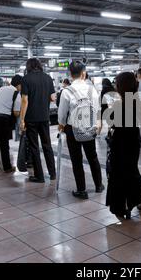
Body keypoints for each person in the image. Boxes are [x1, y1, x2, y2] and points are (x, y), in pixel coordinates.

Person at [58, 61, 103, 199]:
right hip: (89, 126)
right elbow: (97, 109)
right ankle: (98, 185)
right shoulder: (92, 90)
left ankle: (81, 190)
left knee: (76, 160)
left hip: (73, 129)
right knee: (92, 157)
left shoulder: (67, 91)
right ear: (84, 73)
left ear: (70, 74)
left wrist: (61, 124)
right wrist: (98, 123)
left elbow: (62, 113)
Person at [106, 72, 141, 219]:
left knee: (119, 175)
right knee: (132, 171)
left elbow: (111, 121)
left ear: (121, 86)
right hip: (133, 142)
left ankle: (122, 207)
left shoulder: (121, 104)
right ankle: (139, 201)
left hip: (120, 143)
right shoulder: (137, 101)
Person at [20, 58, 57, 183]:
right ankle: (52, 173)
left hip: (31, 118)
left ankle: (39, 176)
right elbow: (53, 98)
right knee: (47, 145)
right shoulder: (47, 78)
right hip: (45, 117)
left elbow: (25, 100)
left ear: (28, 66)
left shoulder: (25, 79)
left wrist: (21, 120)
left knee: (34, 147)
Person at [0, 75, 22, 173]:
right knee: (4, 144)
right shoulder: (17, 93)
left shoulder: (1, 88)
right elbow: (16, 113)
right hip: (2, 119)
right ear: (19, 85)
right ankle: (7, 167)